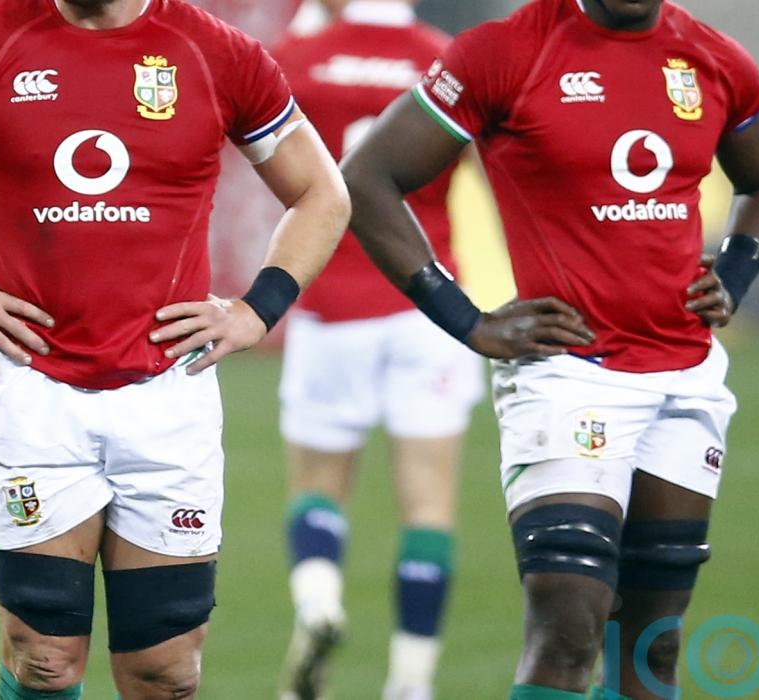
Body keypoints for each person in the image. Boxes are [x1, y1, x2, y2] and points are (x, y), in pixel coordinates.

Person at [0, 0, 355, 697]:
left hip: (167, 392)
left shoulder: (216, 53)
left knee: (166, 672)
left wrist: (259, 310)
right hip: (30, 389)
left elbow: (321, 192)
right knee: (43, 657)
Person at [340, 0, 759, 698]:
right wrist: (467, 320)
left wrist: (735, 273)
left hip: (686, 378)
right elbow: (367, 177)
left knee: (652, 643)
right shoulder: (505, 53)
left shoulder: (714, 58)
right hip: (568, 375)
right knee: (567, 625)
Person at [271, 2, 481, 699]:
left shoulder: (299, 59)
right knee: (428, 505)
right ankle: (410, 682)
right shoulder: (443, 59)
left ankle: (318, 602)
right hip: (431, 306)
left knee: (318, 486)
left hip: (331, 305)